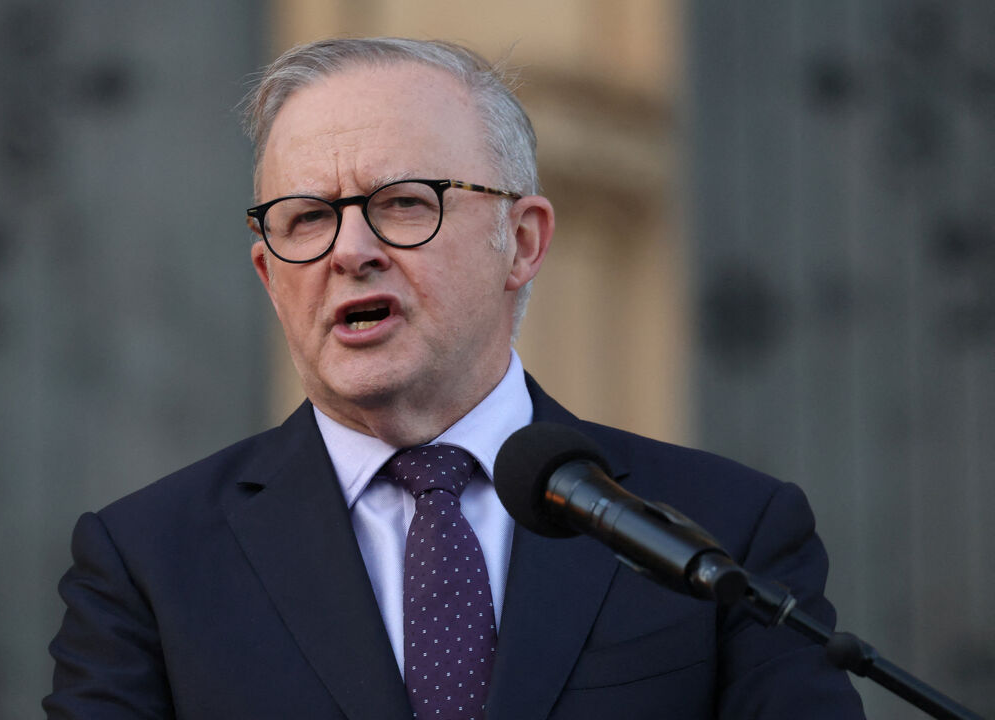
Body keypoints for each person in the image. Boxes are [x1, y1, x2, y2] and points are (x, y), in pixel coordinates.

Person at [44, 37, 865, 719]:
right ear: (269, 275)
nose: (348, 250)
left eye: (404, 202)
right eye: (308, 217)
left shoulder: (728, 534)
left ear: (524, 240)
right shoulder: (148, 563)